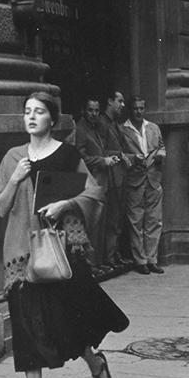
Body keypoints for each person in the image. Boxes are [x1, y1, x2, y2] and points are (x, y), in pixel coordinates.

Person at [0, 92, 129, 378]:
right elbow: (0, 207)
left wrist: (65, 204)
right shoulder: (13, 157)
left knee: (67, 318)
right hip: (22, 253)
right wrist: (15, 178)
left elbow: (93, 193)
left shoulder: (67, 155)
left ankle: (94, 360)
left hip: (61, 248)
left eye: (39, 112)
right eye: (27, 111)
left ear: (52, 119)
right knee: (26, 329)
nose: (32, 117)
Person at [73, 93, 127, 268]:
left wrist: (115, 157)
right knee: (93, 224)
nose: (94, 114)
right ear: (83, 111)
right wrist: (102, 161)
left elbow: (103, 150)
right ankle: (92, 265)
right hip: (91, 182)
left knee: (102, 224)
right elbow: (80, 157)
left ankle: (99, 262)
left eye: (96, 110)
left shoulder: (96, 128)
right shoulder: (81, 129)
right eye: (90, 110)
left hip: (104, 181)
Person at [119, 95, 165, 274]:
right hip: (134, 179)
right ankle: (140, 260)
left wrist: (161, 154)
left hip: (154, 178)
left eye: (141, 108)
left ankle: (152, 258)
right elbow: (119, 153)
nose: (138, 112)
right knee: (136, 220)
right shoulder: (123, 130)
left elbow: (161, 146)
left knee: (154, 219)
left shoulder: (153, 127)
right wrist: (132, 158)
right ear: (130, 110)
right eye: (135, 109)